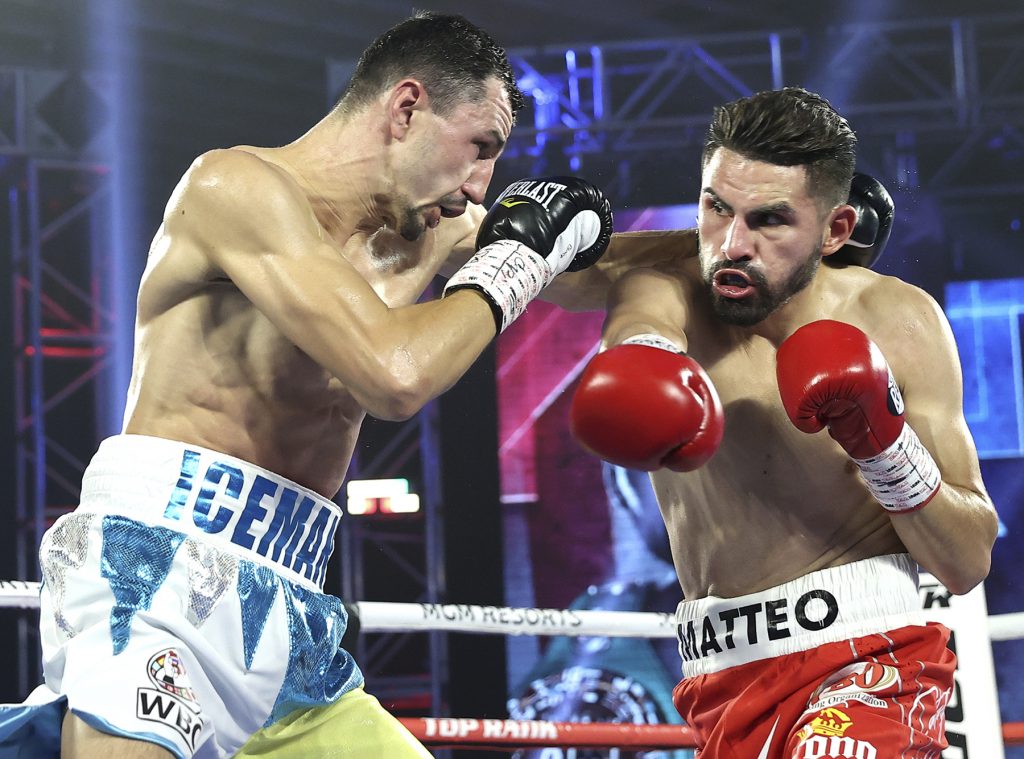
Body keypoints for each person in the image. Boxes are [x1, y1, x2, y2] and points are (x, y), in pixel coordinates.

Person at [0, 11, 613, 759]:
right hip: (157, 571)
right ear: (407, 107)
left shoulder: (435, 230)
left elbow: (592, 277)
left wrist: (732, 243)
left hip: (290, 612)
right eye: (478, 148)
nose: (480, 185)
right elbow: (395, 376)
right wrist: (517, 261)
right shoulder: (234, 186)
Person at [569, 87, 998, 758]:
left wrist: (885, 447)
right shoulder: (666, 286)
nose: (732, 245)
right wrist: (639, 359)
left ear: (835, 230)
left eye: (769, 219)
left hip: (871, 661)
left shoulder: (899, 321)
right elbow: (618, 309)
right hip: (722, 679)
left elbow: (967, 558)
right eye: (716, 209)